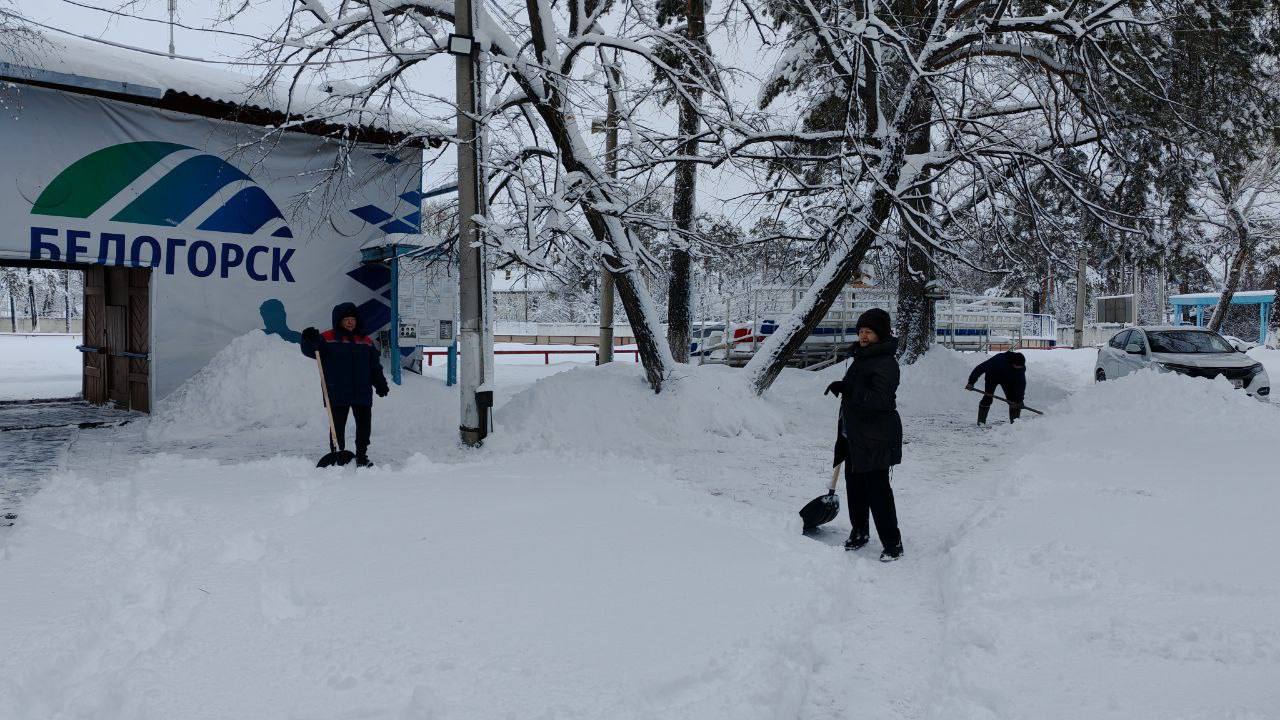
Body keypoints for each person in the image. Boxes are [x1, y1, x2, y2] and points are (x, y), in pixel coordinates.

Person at [823, 307, 905, 562]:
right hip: (853, 435)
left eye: (869, 331)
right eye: (861, 331)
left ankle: (893, 543)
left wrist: (848, 390)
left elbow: (882, 401)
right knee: (855, 488)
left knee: (878, 492)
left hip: (875, 437)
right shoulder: (862, 358)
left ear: (880, 334)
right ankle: (859, 532)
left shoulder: (886, 363)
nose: (863, 336)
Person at [301, 302, 389, 467]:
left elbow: (374, 367)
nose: (350, 322)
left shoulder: (366, 341)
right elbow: (310, 349)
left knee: (364, 427)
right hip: (337, 391)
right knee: (337, 426)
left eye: (353, 319)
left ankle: (361, 456)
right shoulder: (327, 339)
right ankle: (337, 455)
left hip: (362, 392)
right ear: (339, 321)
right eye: (346, 319)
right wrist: (307, 339)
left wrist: (380, 384)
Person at [966, 351, 1027, 425]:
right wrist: (971, 382)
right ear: (1012, 363)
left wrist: (1019, 400)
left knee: (1014, 401)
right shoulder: (997, 360)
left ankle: (1015, 425)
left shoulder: (1020, 368)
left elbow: (1021, 384)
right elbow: (979, 369)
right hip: (992, 377)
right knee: (988, 398)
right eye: (1017, 367)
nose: (1018, 369)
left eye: (1020, 368)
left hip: (1007, 380)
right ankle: (981, 423)